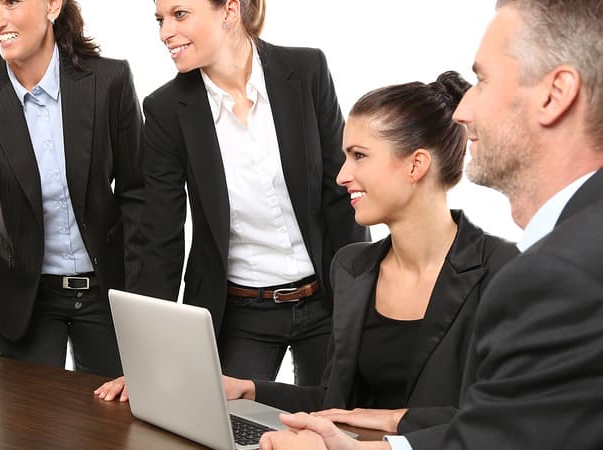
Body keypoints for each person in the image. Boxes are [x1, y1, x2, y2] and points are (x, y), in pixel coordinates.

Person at [257, 1, 603, 449]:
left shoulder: (542, 274)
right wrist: (252, 389)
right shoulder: (353, 267)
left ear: (555, 94)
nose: (463, 110)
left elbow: (491, 431)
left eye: (483, 80)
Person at [219, 72, 518, 445]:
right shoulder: (352, 267)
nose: (343, 175)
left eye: (359, 156)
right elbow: (337, 405)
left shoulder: (504, 270)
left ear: (416, 165)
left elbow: (507, 417)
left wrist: (396, 420)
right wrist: (246, 390)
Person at [95, 0, 367, 402]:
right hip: (239, 312)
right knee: (221, 428)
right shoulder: (166, 110)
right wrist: (145, 359)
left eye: (180, 14)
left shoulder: (306, 71)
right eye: (160, 19)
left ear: (229, 11)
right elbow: (158, 241)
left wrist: (362, 301)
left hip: (326, 300)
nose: (164, 32)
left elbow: (341, 196)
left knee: (333, 425)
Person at [0, 0, 142, 376]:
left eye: (11, 2)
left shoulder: (109, 81)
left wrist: (145, 293)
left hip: (109, 290)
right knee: (29, 427)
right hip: (23, 294)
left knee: (118, 424)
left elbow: (139, 194)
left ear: (53, 5)